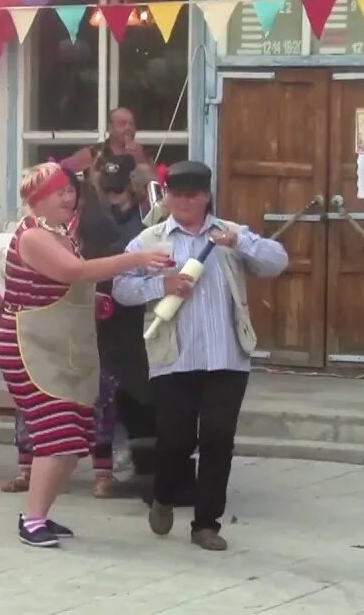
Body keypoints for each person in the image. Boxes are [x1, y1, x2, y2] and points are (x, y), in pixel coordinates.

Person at [113, 160, 288, 552]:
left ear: (206, 195)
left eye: (192, 194)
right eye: (176, 194)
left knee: (217, 439)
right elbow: (121, 287)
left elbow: (277, 261)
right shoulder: (151, 239)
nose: (184, 201)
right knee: (174, 440)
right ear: (168, 196)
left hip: (227, 357)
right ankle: (163, 495)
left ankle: (206, 523)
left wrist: (240, 242)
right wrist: (162, 284)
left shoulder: (228, 234)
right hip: (174, 358)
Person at [0, 162, 173, 548]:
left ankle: (41, 513)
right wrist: (137, 258)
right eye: (59, 191)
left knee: (75, 438)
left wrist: (98, 303)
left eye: (70, 190)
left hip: (63, 346)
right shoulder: (33, 237)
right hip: (31, 348)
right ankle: (31, 519)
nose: (68, 196)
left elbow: (67, 285)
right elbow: (75, 272)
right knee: (56, 435)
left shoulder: (59, 232)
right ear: (36, 199)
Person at [60, 107, 153, 176]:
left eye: (131, 124)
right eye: (122, 123)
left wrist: (140, 160)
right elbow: (60, 169)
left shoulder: (143, 154)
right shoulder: (95, 153)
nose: (128, 128)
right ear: (110, 128)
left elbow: (157, 184)